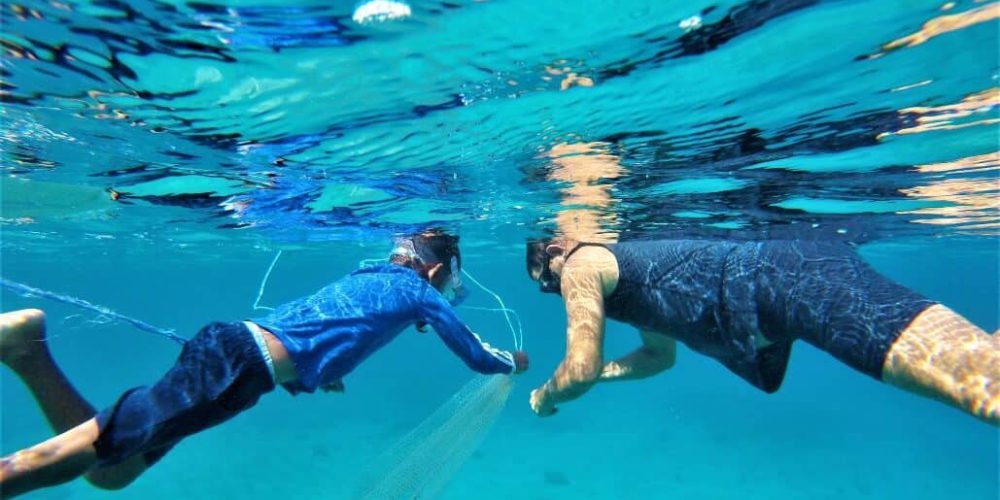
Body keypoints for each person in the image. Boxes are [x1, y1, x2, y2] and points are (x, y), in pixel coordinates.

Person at [0, 230, 528, 498]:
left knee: (112, 472)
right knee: (95, 449)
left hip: (234, 359)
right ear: (435, 268)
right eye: (446, 278)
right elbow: (475, 354)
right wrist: (512, 361)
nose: (444, 288)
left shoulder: (371, 275)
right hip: (237, 365)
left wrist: (320, 372)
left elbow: (327, 325)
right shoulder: (417, 287)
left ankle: (26, 351)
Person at [524, 236, 998, 424]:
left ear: (559, 250)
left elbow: (579, 369)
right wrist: (604, 373)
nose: (555, 288)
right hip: (767, 310)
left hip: (787, 278)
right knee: (981, 367)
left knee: (984, 384)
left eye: (548, 278)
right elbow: (659, 358)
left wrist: (547, 394)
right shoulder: (622, 287)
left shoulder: (582, 263)